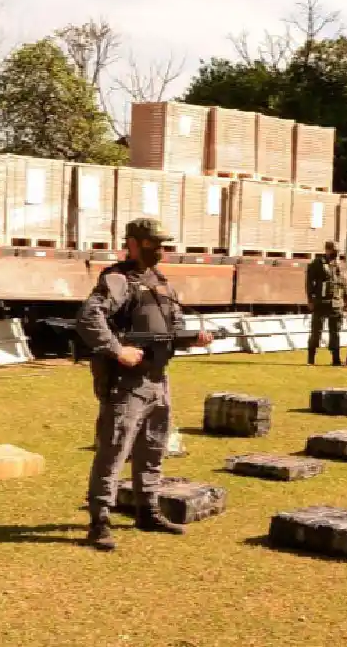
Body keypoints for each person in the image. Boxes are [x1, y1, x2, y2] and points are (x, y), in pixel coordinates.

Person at [75, 217, 213, 552]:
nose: (159, 250)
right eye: (153, 244)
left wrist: (192, 338)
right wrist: (118, 350)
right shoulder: (118, 279)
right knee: (114, 450)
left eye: (163, 244)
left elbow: (173, 328)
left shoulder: (161, 282)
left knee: (153, 447)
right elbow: (89, 316)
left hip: (158, 379)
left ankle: (147, 511)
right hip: (126, 383)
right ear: (133, 244)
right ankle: (99, 521)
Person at [306, 240, 347, 365]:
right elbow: (309, 282)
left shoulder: (339, 265)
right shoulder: (317, 264)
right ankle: (311, 359)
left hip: (336, 302)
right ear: (327, 250)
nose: (335, 254)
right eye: (333, 251)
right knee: (316, 332)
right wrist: (310, 299)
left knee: (335, 332)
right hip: (321, 302)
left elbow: (344, 284)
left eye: (337, 251)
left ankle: (336, 359)